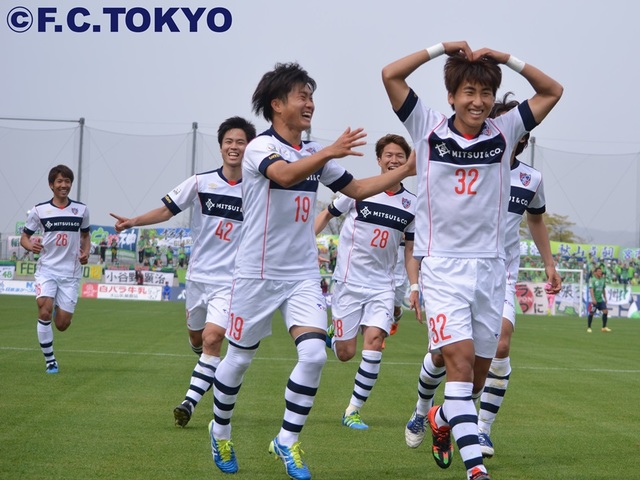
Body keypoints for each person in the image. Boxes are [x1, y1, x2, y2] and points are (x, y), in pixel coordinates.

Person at [208, 62, 415, 480]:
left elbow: (358, 189)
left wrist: (406, 170)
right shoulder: (259, 147)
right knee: (239, 359)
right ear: (276, 104)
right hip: (256, 274)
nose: (310, 103)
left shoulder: (315, 152)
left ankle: (287, 440)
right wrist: (326, 153)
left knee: (315, 354)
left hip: (302, 273)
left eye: (311, 96)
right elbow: (284, 176)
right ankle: (220, 430)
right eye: (302, 96)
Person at [382, 41, 562, 480]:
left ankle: (440, 417)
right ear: (451, 96)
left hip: (491, 270)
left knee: (476, 381)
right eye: (468, 92)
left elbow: (552, 91)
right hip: (442, 268)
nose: (477, 101)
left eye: (485, 93)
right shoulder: (426, 126)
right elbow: (391, 75)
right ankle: (476, 469)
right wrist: (441, 49)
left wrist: (506, 60)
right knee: (458, 366)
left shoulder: (505, 131)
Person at [111, 116, 257, 427]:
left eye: (241, 142)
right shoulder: (200, 183)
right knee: (198, 337)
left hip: (231, 282)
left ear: (249, 147)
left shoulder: (257, 188)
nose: (234, 147)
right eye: (229, 141)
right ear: (221, 146)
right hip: (198, 278)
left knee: (214, 339)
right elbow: (167, 210)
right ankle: (201, 355)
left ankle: (188, 402)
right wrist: (133, 221)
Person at [314, 134, 419, 430]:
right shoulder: (358, 190)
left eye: (400, 156)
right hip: (349, 282)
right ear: (379, 159)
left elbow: (410, 251)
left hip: (382, 286)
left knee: (374, 342)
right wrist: (305, 242)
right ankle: (333, 335)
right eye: (389, 155)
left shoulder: (413, 204)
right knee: (345, 354)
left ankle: (353, 410)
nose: (394, 160)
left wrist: (414, 286)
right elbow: (326, 214)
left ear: (407, 161)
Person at [20, 164, 91, 374]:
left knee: (61, 324)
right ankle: (50, 361)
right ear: (51, 185)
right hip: (47, 270)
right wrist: (30, 246)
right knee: (44, 311)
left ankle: (57, 308)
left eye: (67, 181)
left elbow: (85, 236)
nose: (64, 185)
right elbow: (25, 237)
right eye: (59, 181)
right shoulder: (39, 210)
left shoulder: (81, 210)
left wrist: (86, 252)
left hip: (70, 273)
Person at [587, 266, 610, 332]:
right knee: (591, 313)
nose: (600, 272)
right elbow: (591, 290)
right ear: (595, 273)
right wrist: (593, 299)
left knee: (605, 311)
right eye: (599, 271)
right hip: (595, 300)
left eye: (601, 271)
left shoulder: (602, 280)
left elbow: (603, 289)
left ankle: (604, 327)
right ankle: (589, 327)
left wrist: (605, 298)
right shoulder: (592, 280)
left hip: (600, 300)